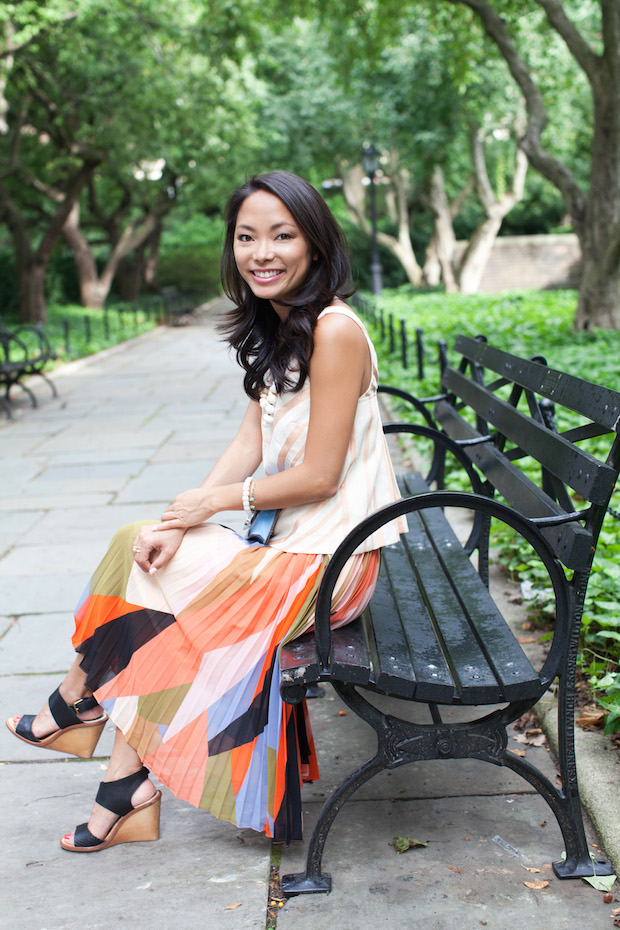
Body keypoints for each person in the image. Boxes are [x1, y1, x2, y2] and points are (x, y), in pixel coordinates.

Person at [6, 170, 406, 852]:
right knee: (146, 547)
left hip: (334, 559)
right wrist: (180, 520)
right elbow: (250, 441)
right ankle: (119, 787)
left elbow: (319, 475)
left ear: (314, 242)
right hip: (295, 546)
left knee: (162, 590)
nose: (263, 252)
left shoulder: (335, 332)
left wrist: (214, 502)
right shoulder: (283, 328)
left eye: (282, 235)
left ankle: (79, 708)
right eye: (248, 237)